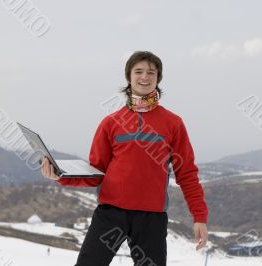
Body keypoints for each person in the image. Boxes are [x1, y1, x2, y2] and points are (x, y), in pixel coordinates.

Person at [42, 51, 208, 266]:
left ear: (158, 78)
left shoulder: (173, 123)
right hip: (110, 214)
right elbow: (96, 173)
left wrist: (199, 216)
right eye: (138, 71)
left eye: (151, 72)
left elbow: (186, 174)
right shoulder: (111, 123)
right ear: (128, 77)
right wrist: (60, 177)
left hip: (151, 218)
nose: (145, 77)